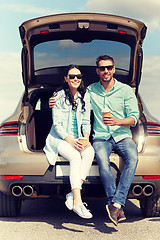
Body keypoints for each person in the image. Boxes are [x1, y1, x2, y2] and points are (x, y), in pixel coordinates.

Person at [49, 55, 139, 226]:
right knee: (103, 163)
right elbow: (72, 99)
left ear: (113, 69)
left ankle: (116, 203)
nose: (106, 71)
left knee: (133, 158)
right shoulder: (90, 91)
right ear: (97, 71)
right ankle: (111, 203)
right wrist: (52, 99)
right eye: (102, 68)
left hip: (122, 135)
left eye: (109, 67)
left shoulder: (126, 90)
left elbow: (135, 117)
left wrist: (117, 121)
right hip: (101, 137)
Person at [44, 65, 95, 219]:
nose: (75, 79)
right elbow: (57, 125)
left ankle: (72, 194)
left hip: (78, 137)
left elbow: (86, 122)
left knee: (90, 151)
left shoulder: (85, 96)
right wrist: (71, 141)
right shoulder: (58, 96)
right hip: (58, 139)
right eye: (72, 76)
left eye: (78, 76)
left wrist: (85, 139)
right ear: (66, 78)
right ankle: (78, 202)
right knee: (74, 156)